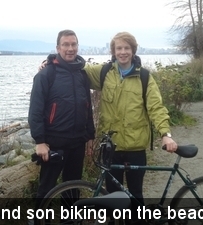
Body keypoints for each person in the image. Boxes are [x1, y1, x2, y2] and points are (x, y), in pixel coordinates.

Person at [39, 31, 178, 224]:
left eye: (126, 48)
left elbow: (156, 108)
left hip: (135, 147)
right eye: (119, 48)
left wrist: (166, 134)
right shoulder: (104, 73)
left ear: (133, 50)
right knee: (113, 198)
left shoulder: (145, 78)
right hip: (110, 147)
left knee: (136, 195)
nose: (123, 52)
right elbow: (74, 65)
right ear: (113, 51)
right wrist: (50, 63)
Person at [28, 29, 95, 224]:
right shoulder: (46, 74)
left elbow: (87, 107)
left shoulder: (82, 75)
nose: (70, 48)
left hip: (77, 141)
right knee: (46, 188)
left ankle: (70, 221)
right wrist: (39, 141)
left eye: (73, 44)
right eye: (65, 45)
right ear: (58, 48)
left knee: (72, 187)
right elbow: (35, 110)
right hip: (53, 142)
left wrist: (89, 135)